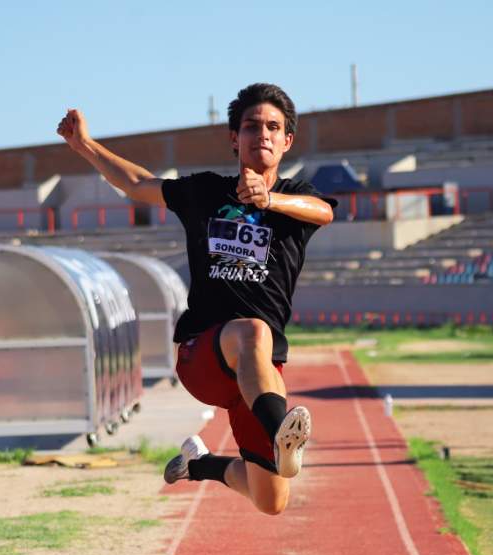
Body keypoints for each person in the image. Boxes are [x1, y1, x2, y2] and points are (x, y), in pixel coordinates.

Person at [58, 83, 335, 516]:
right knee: (252, 330)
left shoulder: (298, 201)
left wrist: (271, 200)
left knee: (271, 500)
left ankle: (199, 464)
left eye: (273, 127)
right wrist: (85, 145)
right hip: (202, 353)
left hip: (257, 373)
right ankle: (281, 427)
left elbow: (324, 212)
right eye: (251, 126)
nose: (261, 133)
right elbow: (136, 184)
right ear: (234, 139)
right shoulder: (204, 193)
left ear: (287, 141)